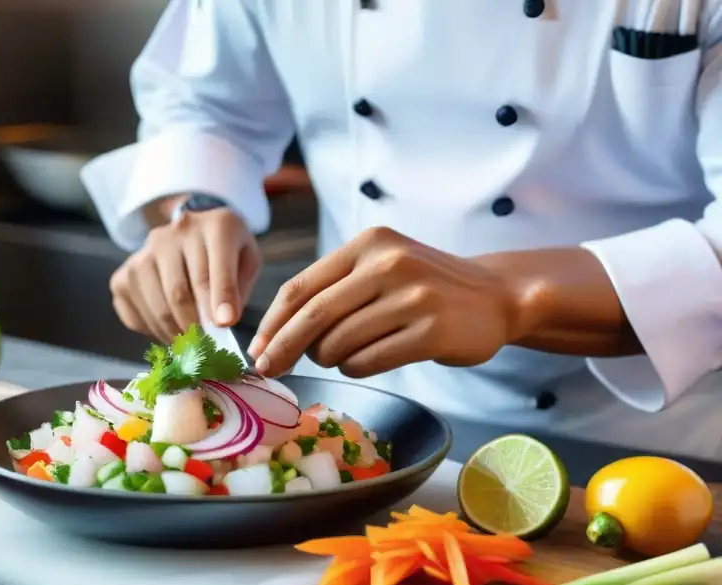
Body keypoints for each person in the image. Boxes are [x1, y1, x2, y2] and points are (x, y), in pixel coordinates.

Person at [80, 0, 722, 460]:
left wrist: (509, 295)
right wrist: (197, 203)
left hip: (659, 448)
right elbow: (204, 102)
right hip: (366, 422)